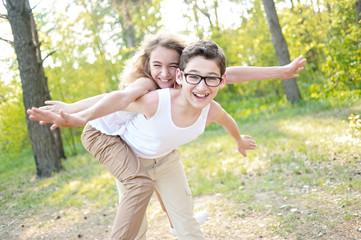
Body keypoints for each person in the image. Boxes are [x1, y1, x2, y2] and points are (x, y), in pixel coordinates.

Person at [28, 33, 306, 239]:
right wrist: (75, 111)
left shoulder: (194, 80)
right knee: (139, 187)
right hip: (106, 135)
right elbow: (115, 97)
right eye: (157, 65)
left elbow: (229, 75)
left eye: (172, 66)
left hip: (155, 147)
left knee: (162, 176)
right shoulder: (147, 86)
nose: (164, 73)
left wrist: (281, 72)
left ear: (183, 67)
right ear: (147, 64)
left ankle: (178, 220)